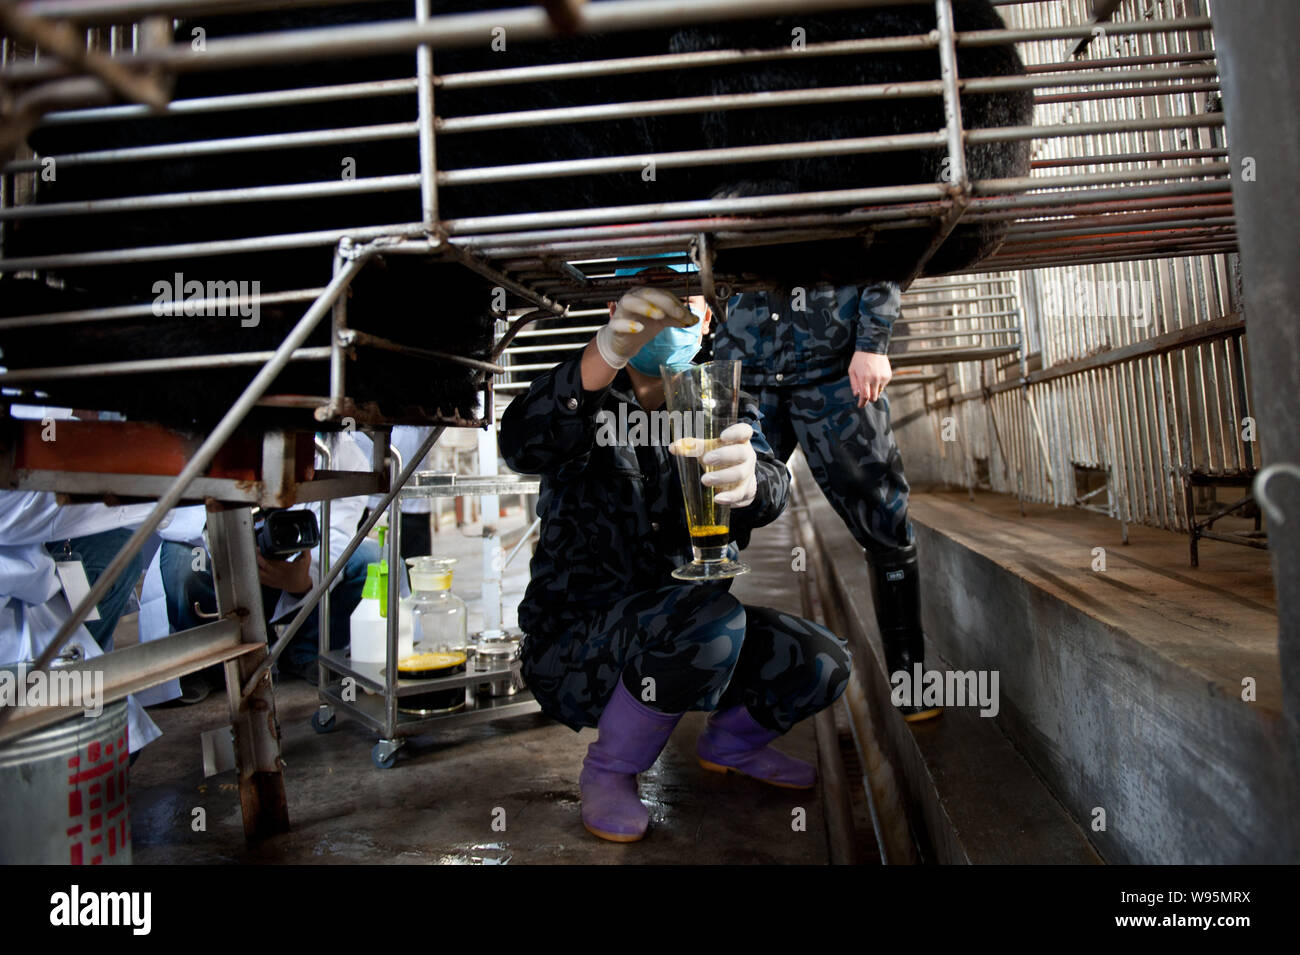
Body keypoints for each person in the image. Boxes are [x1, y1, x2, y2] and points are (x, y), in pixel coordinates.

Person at [500, 279, 851, 843]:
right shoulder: (583, 405)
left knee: (821, 661)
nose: (664, 325)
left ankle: (729, 745)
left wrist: (753, 484)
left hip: (689, 642)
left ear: (708, 320)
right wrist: (604, 354)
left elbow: (772, 480)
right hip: (578, 649)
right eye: (646, 311)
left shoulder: (723, 401)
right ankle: (611, 768)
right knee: (713, 620)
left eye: (682, 307)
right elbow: (519, 442)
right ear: (615, 313)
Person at [711, 281, 941, 721]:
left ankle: (910, 684)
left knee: (884, 516)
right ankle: (687, 675)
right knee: (715, 521)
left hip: (836, 368)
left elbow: (882, 242)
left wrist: (874, 341)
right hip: (745, 373)